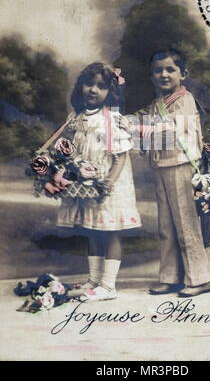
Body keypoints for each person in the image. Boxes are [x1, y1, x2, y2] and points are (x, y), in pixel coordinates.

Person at [56, 62, 141, 301]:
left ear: (109, 92)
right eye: (89, 84)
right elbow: (72, 150)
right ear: (81, 86)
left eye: (101, 86)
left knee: (112, 233)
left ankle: (108, 285)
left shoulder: (111, 119)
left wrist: (109, 183)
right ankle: (94, 279)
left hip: (108, 184)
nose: (93, 90)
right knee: (92, 230)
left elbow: (121, 155)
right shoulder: (76, 118)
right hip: (87, 185)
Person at [129, 50, 210, 297]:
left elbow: (168, 131)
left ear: (183, 74)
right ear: (152, 76)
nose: (163, 74)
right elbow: (141, 119)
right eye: (158, 70)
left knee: (186, 225)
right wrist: (122, 121)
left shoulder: (185, 100)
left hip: (181, 165)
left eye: (170, 69)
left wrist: (137, 128)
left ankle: (198, 278)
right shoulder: (158, 104)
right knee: (167, 226)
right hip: (162, 166)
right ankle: (170, 277)